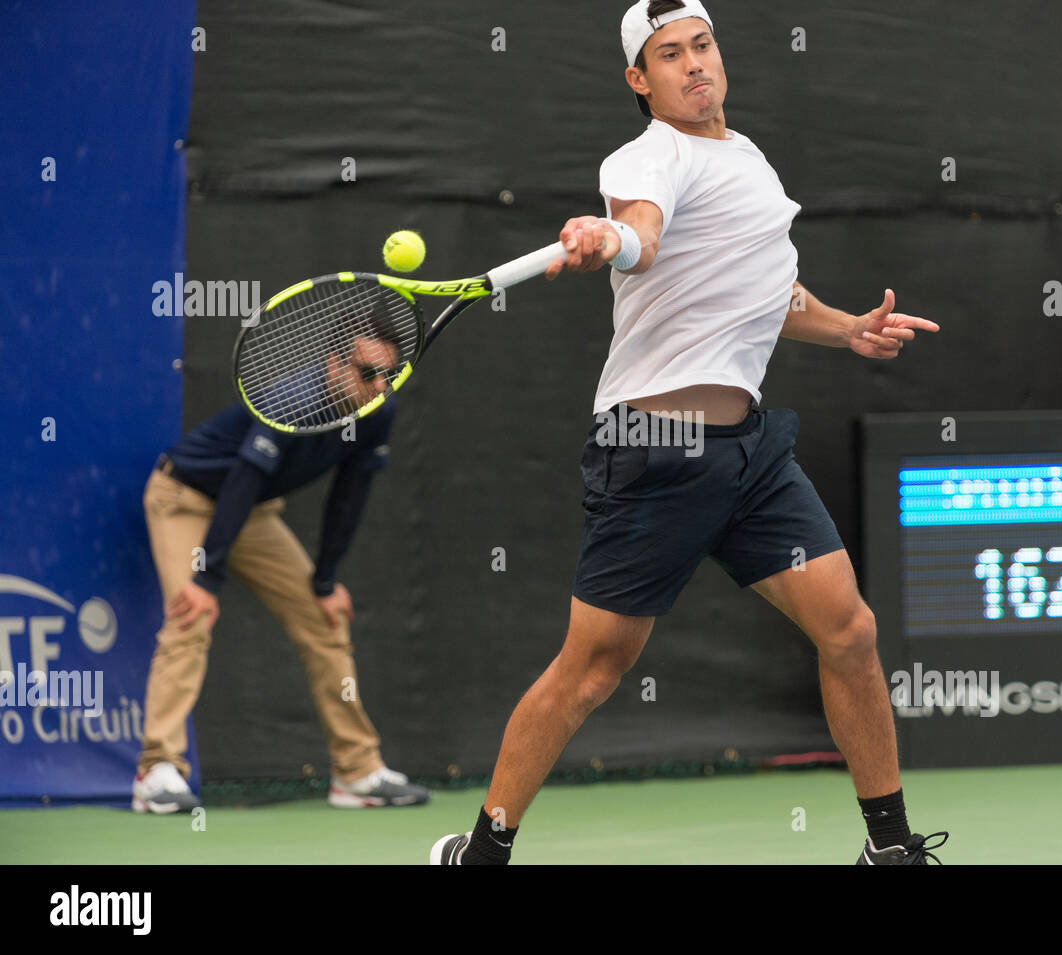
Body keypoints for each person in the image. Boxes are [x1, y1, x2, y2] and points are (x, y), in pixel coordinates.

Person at [432, 0, 943, 865]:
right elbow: (644, 234)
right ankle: (482, 851)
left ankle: (889, 851)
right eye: (670, 55)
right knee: (592, 669)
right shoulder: (647, 154)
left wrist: (849, 327)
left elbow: (767, 296)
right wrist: (613, 240)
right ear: (641, 79)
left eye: (702, 45)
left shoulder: (746, 159)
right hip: (654, 453)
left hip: (751, 459)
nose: (695, 64)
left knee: (850, 631)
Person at [133, 311, 430, 812]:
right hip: (184, 497)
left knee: (324, 618)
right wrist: (206, 577)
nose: (379, 385)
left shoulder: (378, 410)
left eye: (389, 374)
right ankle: (157, 772)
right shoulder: (291, 401)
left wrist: (325, 579)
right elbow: (243, 481)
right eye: (366, 373)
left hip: (248, 513)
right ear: (334, 364)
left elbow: (349, 497)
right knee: (191, 616)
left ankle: (356, 772)